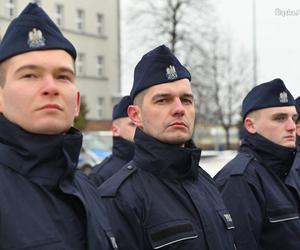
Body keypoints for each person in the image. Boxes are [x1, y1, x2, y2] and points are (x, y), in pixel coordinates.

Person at [0, 3, 116, 249]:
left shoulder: (88, 190)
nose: (51, 87)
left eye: (63, 76)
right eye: (30, 75)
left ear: (76, 103)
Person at [98, 45, 235, 249]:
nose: (179, 109)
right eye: (163, 100)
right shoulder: (120, 198)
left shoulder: (206, 182)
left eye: (186, 100)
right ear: (136, 115)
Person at [214, 78, 300, 250]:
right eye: (280, 118)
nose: (291, 126)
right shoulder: (239, 180)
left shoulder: (289, 170)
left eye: (293, 118)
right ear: (251, 125)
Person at [89, 95, 136, 186]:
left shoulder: (153, 166)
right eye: (132, 124)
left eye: (141, 122)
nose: (139, 128)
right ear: (115, 130)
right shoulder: (101, 175)